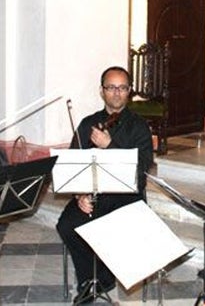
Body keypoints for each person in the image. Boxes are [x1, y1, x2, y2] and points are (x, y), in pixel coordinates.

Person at [56, 66, 153, 300]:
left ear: (129, 91)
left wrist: (109, 146)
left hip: (126, 197)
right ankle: (94, 279)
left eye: (122, 88)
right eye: (111, 87)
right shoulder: (88, 123)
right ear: (102, 91)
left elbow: (140, 172)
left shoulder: (139, 126)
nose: (116, 93)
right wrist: (79, 194)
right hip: (95, 194)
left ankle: (102, 276)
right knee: (67, 225)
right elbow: (73, 163)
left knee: (113, 227)